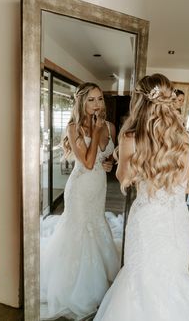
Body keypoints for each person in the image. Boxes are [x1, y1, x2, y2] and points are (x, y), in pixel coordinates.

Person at [94, 74, 189, 321]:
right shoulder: (185, 141)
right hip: (176, 222)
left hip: (146, 221)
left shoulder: (131, 138)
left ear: (139, 101)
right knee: (174, 277)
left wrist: (124, 157)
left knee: (141, 280)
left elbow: (124, 179)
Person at [40, 82, 119, 319]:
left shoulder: (111, 127)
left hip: (99, 187)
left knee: (96, 225)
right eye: (91, 100)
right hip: (80, 187)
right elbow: (86, 162)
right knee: (78, 230)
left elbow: (107, 159)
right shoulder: (73, 127)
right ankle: (76, 288)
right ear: (81, 102)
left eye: (100, 99)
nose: (97, 105)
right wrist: (94, 133)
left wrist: (109, 163)